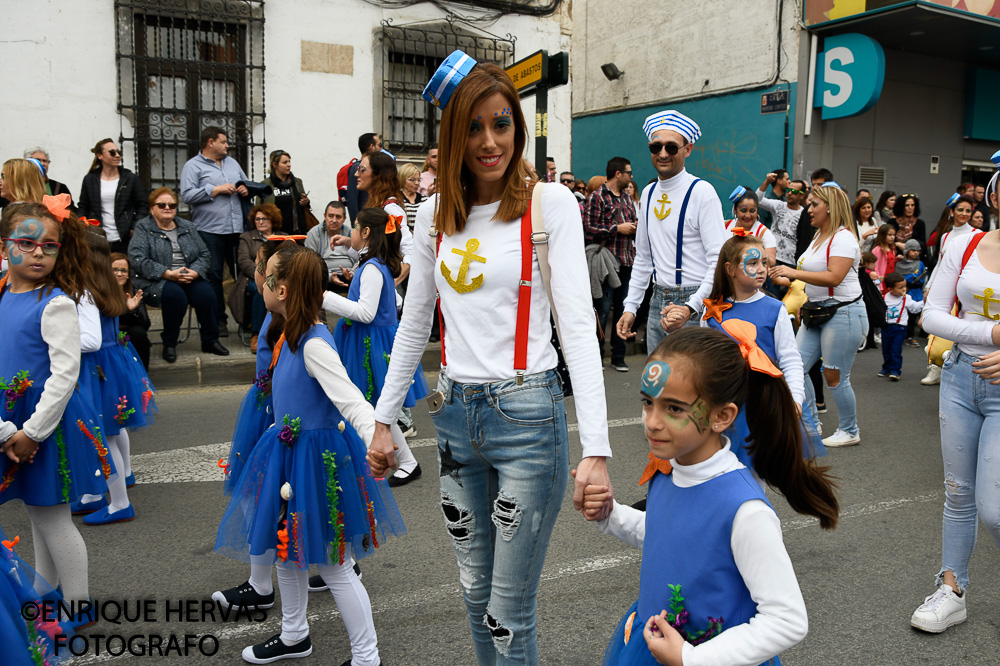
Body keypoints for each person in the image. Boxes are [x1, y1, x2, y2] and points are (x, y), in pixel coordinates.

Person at [366, 51, 612, 664]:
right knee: (475, 595)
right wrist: (383, 419)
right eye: (473, 127)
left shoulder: (548, 204)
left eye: (501, 124)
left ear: (518, 128)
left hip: (528, 416)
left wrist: (598, 451)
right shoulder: (431, 216)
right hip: (453, 418)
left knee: (509, 608)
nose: (489, 141)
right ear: (453, 135)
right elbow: (413, 322)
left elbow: (577, 325)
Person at [587, 327, 836, 666]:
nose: (652, 422)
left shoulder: (744, 510)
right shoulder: (668, 469)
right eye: (648, 402)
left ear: (722, 416)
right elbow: (670, 536)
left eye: (674, 409)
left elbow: (787, 620)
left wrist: (692, 658)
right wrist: (609, 513)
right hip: (654, 644)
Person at [216, 242, 404, 665]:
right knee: (287, 550)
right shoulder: (290, 333)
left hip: (314, 465)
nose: (259, 278)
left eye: (265, 273)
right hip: (288, 457)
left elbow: (351, 400)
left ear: (281, 290)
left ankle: (366, 656)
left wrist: (376, 436)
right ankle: (294, 633)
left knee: (335, 565)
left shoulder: (314, 344)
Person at [0, 198, 111, 626]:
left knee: (53, 516)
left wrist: (32, 432)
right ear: (5, 245)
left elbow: (65, 375)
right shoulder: (3, 290)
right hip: (13, 419)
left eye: (49, 245)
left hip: (45, 423)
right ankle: (44, 590)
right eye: (26, 243)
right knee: (36, 510)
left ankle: (78, 605)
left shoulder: (56, 302)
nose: (38, 253)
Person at [913, 217, 1000, 634]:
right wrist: (994, 334)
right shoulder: (966, 244)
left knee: (995, 509)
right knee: (958, 493)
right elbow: (931, 316)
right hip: (959, 377)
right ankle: (952, 589)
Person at [700, 233, 824, 468]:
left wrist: (796, 399)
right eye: (752, 263)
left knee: (757, 475)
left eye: (764, 263)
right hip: (722, 406)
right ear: (730, 268)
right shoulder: (712, 313)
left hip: (761, 406)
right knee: (719, 471)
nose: (761, 269)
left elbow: (790, 359)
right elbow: (702, 365)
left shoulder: (775, 309)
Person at [326, 207, 428, 485]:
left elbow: (366, 313)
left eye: (355, 227)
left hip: (371, 344)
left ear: (367, 232)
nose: (351, 232)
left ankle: (405, 462)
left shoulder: (372, 266)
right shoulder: (374, 263)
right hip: (372, 340)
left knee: (376, 407)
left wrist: (325, 298)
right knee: (375, 406)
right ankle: (398, 461)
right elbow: (391, 302)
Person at [616, 109, 727, 354]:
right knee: (658, 383)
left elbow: (718, 260)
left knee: (692, 385)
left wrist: (691, 306)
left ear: (687, 150)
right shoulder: (648, 193)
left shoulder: (702, 192)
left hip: (694, 300)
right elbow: (643, 258)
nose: (663, 154)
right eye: (656, 147)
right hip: (658, 299)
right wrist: (630, 307)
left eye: (672, 147)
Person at [769, 183, 868, 448]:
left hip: (844, 313)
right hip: (818, 311)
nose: (808, 209)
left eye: (814, 204)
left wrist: (793, 273)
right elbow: (812, 276)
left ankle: (850, 430)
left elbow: (834, 276)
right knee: (794, 368)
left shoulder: (844, 237)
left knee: (834, 376)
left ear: (830, 207)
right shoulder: (818, 236)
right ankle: (811, 424)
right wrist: (800, 291)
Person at [74, 230, 156, 526]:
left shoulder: (85, 290)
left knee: (101, 436)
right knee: (110, 429)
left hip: (96, 366)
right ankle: (96, 495)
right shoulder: (105, 284)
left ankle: (119, 502)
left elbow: (91, 341)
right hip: (111, 363)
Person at [129, 187, 228, 362]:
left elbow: (204, 254)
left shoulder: (187, 226)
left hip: (188, 276)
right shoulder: (143, 228)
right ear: (152, 208)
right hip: (158, 279)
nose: (167, 208)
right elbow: (137, 259)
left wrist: (195, 272)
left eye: (172, 205)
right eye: (161, 205)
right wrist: (167, 273)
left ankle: (210, 340)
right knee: (176, 297)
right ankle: (170, 343)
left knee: (207, 294)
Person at [179, 126, 251, 335]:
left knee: (243, 276)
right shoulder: (192, 166)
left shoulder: (232, 163)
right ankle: (218, 320)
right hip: (209, 231)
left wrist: (245, 189)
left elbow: (245, 183)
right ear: (211, 142)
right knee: (213, 276)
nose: (227, 145)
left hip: (236, 230)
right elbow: (187, 196)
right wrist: (216, 189)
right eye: (223, 141)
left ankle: (245, 320)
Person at [583, 156, 637, 371]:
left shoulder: (626, 198)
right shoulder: (597, 197)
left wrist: (634, 226)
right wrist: (617, 229)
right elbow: (588, 228)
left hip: (627, 260)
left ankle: (618, 357)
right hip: (607, 261)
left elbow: (630, 221)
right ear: (618, 174)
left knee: (624, 309)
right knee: (602, 310)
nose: (631, 177)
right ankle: (596, 357)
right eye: (629, 173)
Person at [332, 151, 414, 287]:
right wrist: (348, 242)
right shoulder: (374, 205)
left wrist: (393, 283)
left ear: (378, 175)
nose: (356, 174)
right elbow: (372, 249)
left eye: (362, 169)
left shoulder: (390, 208)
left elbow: (409, 251)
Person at [78, 139, 148, 254]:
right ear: (100, 155)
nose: (117, 156)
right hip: (97, 237)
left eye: (118, 152)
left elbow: (142, 205)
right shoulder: (90, 179)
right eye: (112, 152)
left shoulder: (130, 178)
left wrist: (134, 227)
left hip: (124, 238)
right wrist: (84, 226)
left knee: (122, 270)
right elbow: (83, 206)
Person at [231, 203, 280, 351]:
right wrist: (265, 275)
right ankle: (257, 334)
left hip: (280, 277)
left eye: (264, 218)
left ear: (273, 220)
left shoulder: (282, 237)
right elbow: (244, 261)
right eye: (257, 219)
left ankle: (285, 330)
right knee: (263, 290)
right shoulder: (246, 237)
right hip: (251, 278)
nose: (260, 221)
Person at [877, 272, 923, 381]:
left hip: (900, 328)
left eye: (905, 286)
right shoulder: (883, 298)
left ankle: (895, 370)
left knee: (895, 349)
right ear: (890, 289)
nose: (904, 289)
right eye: (900, 287)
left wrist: (923, 302)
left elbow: (914, 308)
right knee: (886, 349)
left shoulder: (906, 298)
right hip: (886, 327)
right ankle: (886, 368)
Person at [756, 173, 808, 268]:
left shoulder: (804, 214)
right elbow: (757, 199)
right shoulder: (778, 205)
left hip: (790, 262)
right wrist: (767, 181)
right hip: (773, 257)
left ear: (802, 195)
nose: (790, 193)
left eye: (794, 191)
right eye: (788, 190)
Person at [111, 252, 152, 369]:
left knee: (139, 334)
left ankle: (142, 379)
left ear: (128, 274)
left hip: (127, 333)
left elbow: (145, 323)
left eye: (123, 270)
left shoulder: (133, 290)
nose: (119, 274)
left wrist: (132, 311)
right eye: (114, 270)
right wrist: (125, 309)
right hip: (108, 334)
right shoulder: (101, 291)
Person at [259, 150, 312, 236]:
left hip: (296, 233)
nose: (289, 165)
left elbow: (305, 206)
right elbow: (258, 210)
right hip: (275, 233)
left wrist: (306, 201)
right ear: (274, 165)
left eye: (289, 161)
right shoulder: (265, 185)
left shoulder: (297, 182)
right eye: (284, 162)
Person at [305, 201, 355, 290]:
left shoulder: (351, 233)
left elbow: (362, 258)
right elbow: (310, 263)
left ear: (344, 219)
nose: (334, 220)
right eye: (330, 216)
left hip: (350, 278)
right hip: (323, 279)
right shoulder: (313, 233)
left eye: (338, 217)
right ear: (325, 216)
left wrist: (352, 273)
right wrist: (329, 276)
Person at [723, 186, 776, 266]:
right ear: (735, 210)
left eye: (752, 211)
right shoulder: (724, 226)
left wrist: (756, 249)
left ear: (757, 210)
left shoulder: (764, 233)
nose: (748, 215)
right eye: (743, 210)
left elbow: (772, 262)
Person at [896, 239, 927, 347]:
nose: (916, 253)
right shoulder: (899, 264)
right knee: (903, 315)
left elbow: (924, 278)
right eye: (913, 250)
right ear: (907, 251)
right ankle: (902, 335)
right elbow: (898, 277)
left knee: (914, 316)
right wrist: (909, 279)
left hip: (916, 292)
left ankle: (910, 336)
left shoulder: (920, 264)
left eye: (918, 250)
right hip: (904, 291)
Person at [345, 133, 382, 221]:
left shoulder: (377, 167)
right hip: (363, 221)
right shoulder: (356, 168)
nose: (381, 148)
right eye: (379, 145)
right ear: (372, 146)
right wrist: (356, 227)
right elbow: (352, 199)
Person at [871, 224, 897, 294]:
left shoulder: (892, 248)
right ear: (882, 235)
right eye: (889, 235)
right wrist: (879, 285)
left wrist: (897, 259)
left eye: (893, 235)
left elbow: (890, 261)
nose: (892, 237)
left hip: (891, 280)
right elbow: (875, 267)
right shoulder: (877, 250)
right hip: (882, 280)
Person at [398, 162, 423, 229]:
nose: (417, 183)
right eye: (412, 180)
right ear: (402, 179)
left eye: (419, 180)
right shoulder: (396, 199)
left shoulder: (425, 200)